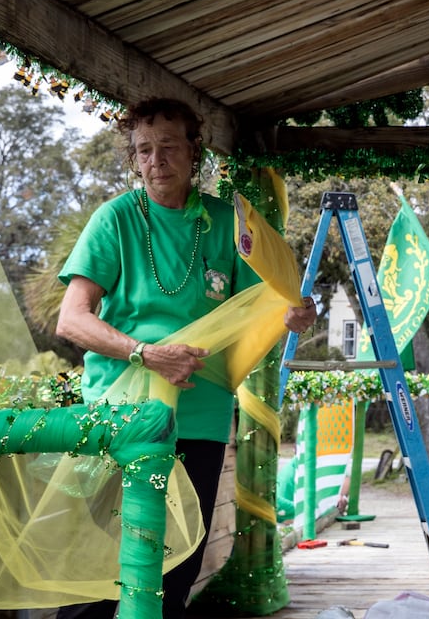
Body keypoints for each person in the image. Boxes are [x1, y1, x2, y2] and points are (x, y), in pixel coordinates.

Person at [56, 97, 317, 619]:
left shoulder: (227, 222)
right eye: (144, 150)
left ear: (195, 152)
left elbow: (262, 306)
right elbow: (72, 321)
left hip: (199, 417)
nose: (156, 161)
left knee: (179, 570)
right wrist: (146, 353)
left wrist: (293, 314)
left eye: (169, 147)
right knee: (105, 570)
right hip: (121, 414)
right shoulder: (115, 219)